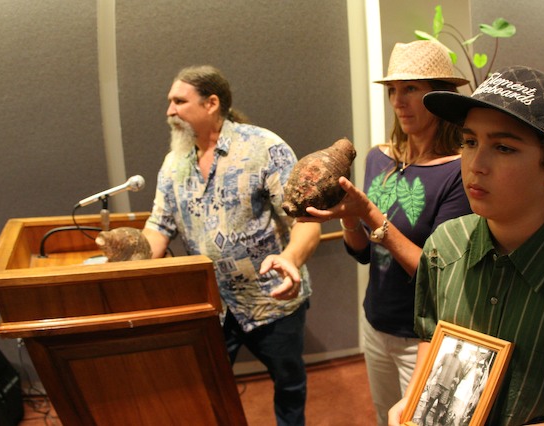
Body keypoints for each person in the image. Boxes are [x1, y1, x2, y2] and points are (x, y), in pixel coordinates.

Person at [382, 65, 544, 425]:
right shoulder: (444, 248)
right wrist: (414, 400)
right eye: (469, 142)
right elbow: (431, 334)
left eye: (503, 147)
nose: (475, 165)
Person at [304, 40, 472, 425]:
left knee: (419, 421)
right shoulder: (379, 156)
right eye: (393, 90)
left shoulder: (458, 173)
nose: (399, 101)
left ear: (440, 96)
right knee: (385, 418)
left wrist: (369, 212)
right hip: (377, 321)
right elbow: (362, 252)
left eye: (411, 89)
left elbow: (437, 274)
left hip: (423, 335)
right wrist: (348, 217)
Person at [142, 65, 321, 426]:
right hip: (211, 305)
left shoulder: (263, 147)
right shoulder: (174, 162)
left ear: (211, 103)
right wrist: (125, 268)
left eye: (179, 101)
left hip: (271, 300)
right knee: (206, 389)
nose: (169, 111)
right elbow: (158, 227)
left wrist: (290, 258)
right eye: (169, 102)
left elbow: (305, 219)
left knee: (289, 384)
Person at [417, 341, 466, 425]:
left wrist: (456, 380)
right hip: (438, 385)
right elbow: (437, 366)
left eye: (459, 348)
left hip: (447, 390)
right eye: (457, 347)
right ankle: (421, 420)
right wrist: (429, 379)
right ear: (455, 347)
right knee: (429, 404)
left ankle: (434, 424)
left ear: (461, 350)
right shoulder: (446, 356)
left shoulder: (459, 363)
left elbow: (458, 378)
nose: (457, 349)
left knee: (439, 409)